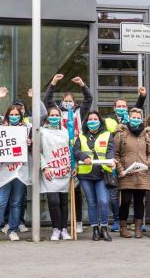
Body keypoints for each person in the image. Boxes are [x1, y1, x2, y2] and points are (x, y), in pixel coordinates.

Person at [44, 74, 91, 233]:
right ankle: (60, 226)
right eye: (66, 101)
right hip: (60, 152)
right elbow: (48, 99)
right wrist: (54, 82)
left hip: (75, 149)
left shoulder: (79, 112)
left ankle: (77, 221)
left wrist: (82, 85)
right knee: (60, 190)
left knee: (76, 188)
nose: (68, 103)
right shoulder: (56, 112)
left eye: (71, 101)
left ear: (74, 103)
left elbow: (89, 99)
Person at [0, 105, 32, 243]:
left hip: (20, 171)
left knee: (16, 203)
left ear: (21, 116)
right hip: (3, 172)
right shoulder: (0, 130)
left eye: (17, 114)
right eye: (12, 114)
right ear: (7, 116)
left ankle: (12, 230)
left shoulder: (27, 129)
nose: (14, 116)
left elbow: (34, 148)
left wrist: (30, 143)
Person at [103, 87, 145, 231]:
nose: (121, 108)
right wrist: (116, 130)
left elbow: (137, 110)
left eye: (123, 106)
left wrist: (142, 96)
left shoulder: (130, 118)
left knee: (135, 196)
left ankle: (137, 223)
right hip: (114, 161)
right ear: (114, 108)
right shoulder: (108, 121)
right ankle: (116, 221)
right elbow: (106, 137)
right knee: (115, 194)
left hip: (131, 163)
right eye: (118, 106)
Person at [113, 108, 150, 239]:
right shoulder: (121, 133)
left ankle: (138, 228)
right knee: (125, 201)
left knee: (139, 201)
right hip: (126, 173)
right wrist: (120, 169)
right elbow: (115, 154)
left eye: (138, 117)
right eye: (134, 117)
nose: (136, 119)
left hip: (142, 173)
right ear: (129, 118)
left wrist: (146, 164)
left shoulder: (145, 134)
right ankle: (123, 228)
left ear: (141, 119)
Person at [73, 111, 114, 241]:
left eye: (95, 118)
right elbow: (76, 150)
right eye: (90, 119)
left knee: (103, 201)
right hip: (86, 174)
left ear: (100, 121)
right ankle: (95, 229)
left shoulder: (107, 135)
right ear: (86, 122)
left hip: (102, 173)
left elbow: (110, 150)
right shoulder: (81, 136)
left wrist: (110, 160)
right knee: (91, 203)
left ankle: (104, 228)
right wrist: (83, 157)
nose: (92, 121)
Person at [41, 106, 73, 241]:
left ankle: (63, 228)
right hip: (50, 171)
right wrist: (44, 167)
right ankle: (55, 228)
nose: (54, 117)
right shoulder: (42, 132)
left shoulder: (66, 132)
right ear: (47, 117)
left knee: (64, 201)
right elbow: (38, 151)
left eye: (56, 115)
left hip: (64, 170)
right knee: (53, 200)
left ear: (60, 117)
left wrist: (71, 165)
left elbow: (71, 149)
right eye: (52, 115)